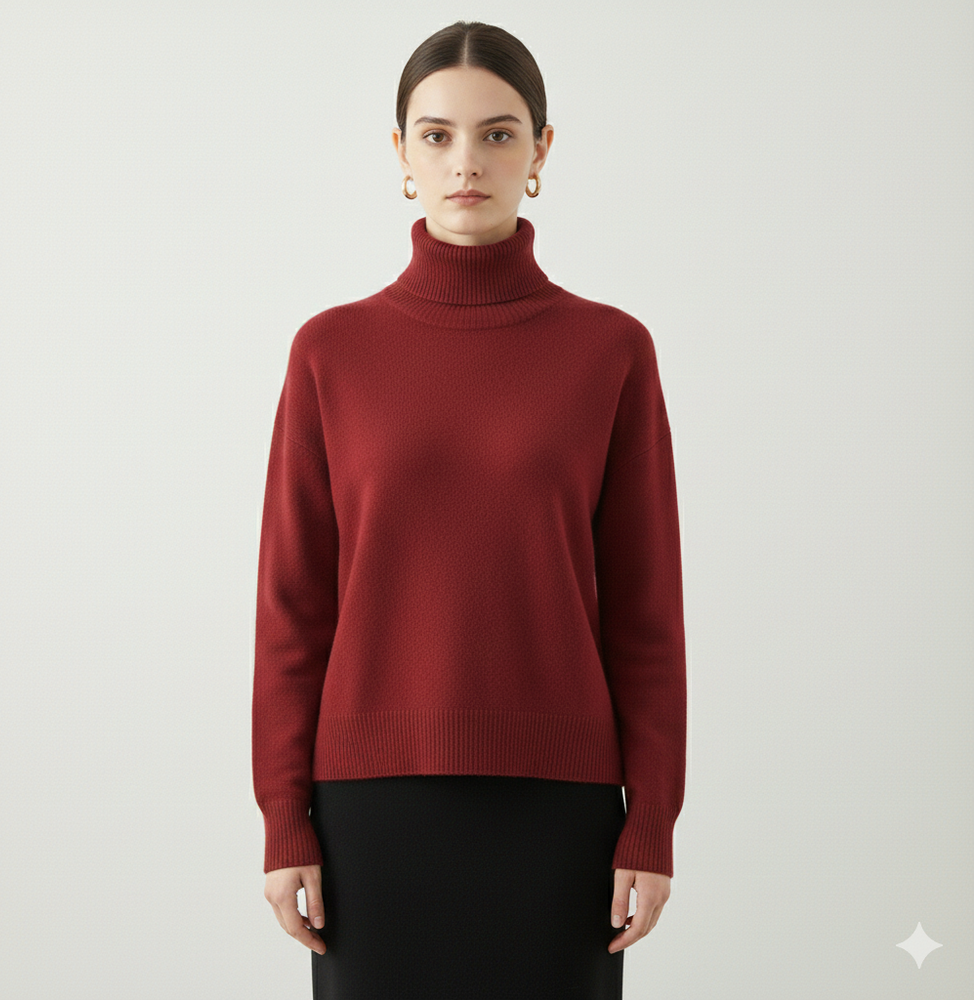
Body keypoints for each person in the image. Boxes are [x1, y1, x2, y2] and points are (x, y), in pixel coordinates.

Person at [252, 20, 687, 999]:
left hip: (562, 812)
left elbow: (646, 612)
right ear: (400, 154)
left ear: (540, 151)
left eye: (497, 134)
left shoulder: (610, 351)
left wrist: (652, 819)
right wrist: (283, 818)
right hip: (366, 814)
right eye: (437, 134)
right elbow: (292, 609)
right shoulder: (331, 352)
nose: (465, 162)